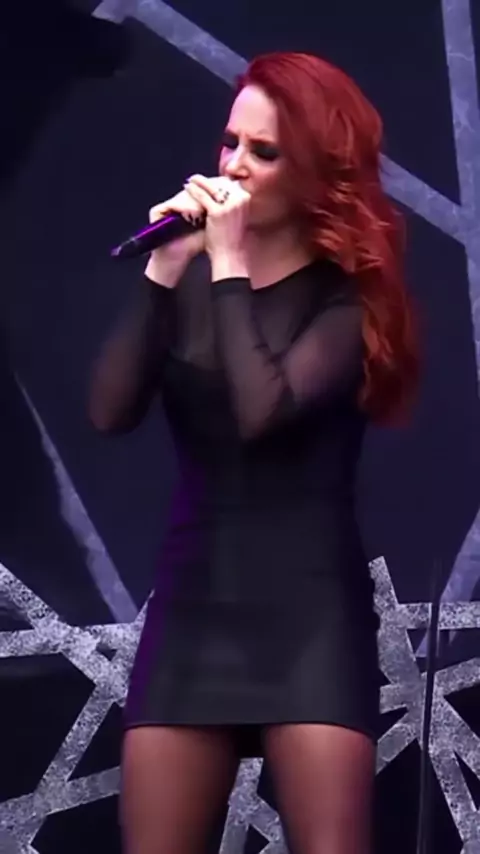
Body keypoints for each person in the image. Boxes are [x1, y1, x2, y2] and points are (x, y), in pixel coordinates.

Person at [89, 51, 418, 854]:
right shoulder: (189, 282)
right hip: (194, 608)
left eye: (263, 152)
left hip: (310, 616)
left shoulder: (347, 299)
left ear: (313, 171)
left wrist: (228, 264)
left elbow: (262, 413)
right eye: (230, 142)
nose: (233, 165)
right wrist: (166, 269)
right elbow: (108, 413)